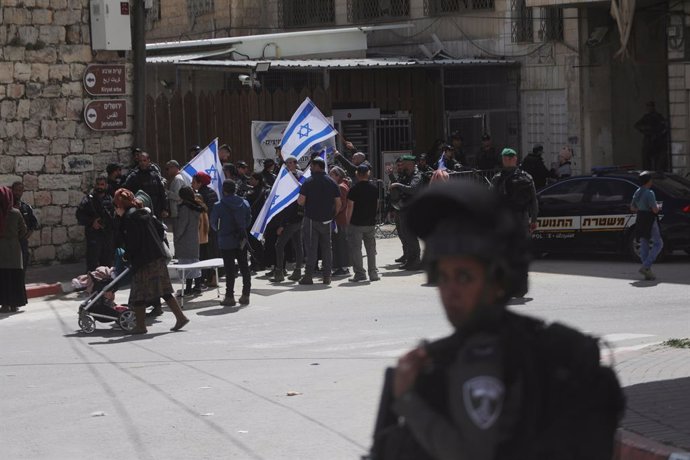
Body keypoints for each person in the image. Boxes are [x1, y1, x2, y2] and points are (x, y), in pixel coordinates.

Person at [369, 180, 624, 460]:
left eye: (464, 276)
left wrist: (406, 399)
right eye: (443, 277)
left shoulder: (480, 359)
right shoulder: (544, 344)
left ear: (499, 280)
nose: (450, 292)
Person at [113, 188, 189, 334]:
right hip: (157, 256)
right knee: (164, 289)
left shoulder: (128, 218)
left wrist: (126, 256)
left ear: (120, 204)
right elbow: (161, 230)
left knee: (138, 292)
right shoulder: (144, 212)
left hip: (143, 260)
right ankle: (180, 317)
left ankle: (141, 326)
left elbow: (131, 242)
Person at [491, 148, 538, 297]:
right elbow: (534, 201)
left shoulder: (497, 178)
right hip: (521, 220)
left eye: (508, 157)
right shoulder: (527, 177)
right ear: (515, 159)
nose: (508, 160)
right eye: (508, 157)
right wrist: (534, 220)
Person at [297, 156, 342, 285]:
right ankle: (327, 276)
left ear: (317, 166)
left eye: (311, 166)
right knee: (327, 248)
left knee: (311, 248)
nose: (310, 168)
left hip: (311, 219)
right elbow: (338, 203)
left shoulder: (309, 181)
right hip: (327, 220)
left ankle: (308, 276)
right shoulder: (332, 182)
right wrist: (333, 215)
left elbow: (301, 201)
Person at [210, 179, 252, 306]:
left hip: (226, 240)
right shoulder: (244, 203)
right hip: (241, 239)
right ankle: (246, 295)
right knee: (244, 267)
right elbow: (248, 220)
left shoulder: (218, 205)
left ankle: (229, 296)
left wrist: (220, 230)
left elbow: (213, 224)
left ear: (224, 190)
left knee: (229, 270)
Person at [272, 157, 304, 283]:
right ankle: (296, 271)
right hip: (294, 216)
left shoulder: (299, 178)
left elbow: (289, 206)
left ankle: (280, 271)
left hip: (294, 217)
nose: (291, 164)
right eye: (288, 163)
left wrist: (282, 224)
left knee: (279, 245)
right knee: (297, 244)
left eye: (293, 162)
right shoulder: (284, 178)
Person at [346, 165, 380, 282]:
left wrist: (347, 221)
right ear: (368, 173)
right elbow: (376, 205)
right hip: (370, 223)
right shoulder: (374, 188)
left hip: (356, 223)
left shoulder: (354, 189)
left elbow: (350, 207)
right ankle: (373, 273)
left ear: (357, 174)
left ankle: (360, 273)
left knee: (356, 249)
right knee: (370, 249)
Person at [390, 155, 423, 270]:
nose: (401, 166)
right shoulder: (406, 175)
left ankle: (416, 260)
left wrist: (398, 185)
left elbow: (412, 189)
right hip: (404, 208)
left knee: (411, 236)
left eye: (403, 163)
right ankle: (410, 259)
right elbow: (398, 188)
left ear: (410, 164)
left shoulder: (417, 176)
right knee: (406, 235)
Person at [76, 175, 116, 272]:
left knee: (107, 264)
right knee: (92, 263)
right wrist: (92, 222)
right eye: (98, 184)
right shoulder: (88, 200)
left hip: (107, 235)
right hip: (94, 235)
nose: (100, 187)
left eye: (102, 185)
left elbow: (114, 217)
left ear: (106, 186)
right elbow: (79, 215)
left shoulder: (110, 200)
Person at [630, 171, 664, 280]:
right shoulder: (650, 193)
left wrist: (641, 207)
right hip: (649, 219)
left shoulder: (638, 191)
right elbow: (654, 210)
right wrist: (658, 207)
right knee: (658, 243)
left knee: (644, 241)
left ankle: (647, 271)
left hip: (640, 217)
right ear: (649, 181)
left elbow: (632, 208)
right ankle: (646, 266)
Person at [0, 186, 28, 313]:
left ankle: (4, 304)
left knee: (3, 277)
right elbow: (24, 230)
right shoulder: (16, 213)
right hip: (14, 248)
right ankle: (14, 304)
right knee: (14, 275)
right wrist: (15, 237)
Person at [174, 186, 206, 295]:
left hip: (185, 239)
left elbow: (182, 225)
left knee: (186, 265)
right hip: (194, 237)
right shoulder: (196, 207)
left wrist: (177, 237)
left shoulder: (184, 208)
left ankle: (188, 288)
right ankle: (197, 286)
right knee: (194, 263)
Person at [192, 171, 219, 288]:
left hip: (204, 228)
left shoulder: (199, 196)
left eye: (193, 182)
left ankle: (204, 278)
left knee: (204, 254)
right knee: (213, 252)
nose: (192, 184)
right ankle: (213, 277)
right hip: (214, 226)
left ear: (200, 183)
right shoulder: (213, 192)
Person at [124, 151, 169, 218]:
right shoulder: (133, 176)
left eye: (144, 160)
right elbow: (126, 192)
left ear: (148, 161)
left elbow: (162, 192)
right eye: (140, 161)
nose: (142, 163)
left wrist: (165, 209)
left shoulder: (155, 176)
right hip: (141, 211)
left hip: (156, 210)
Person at [329, 166, 351, 277]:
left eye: (331, 175)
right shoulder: (341, 185)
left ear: (337, 176)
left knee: (341, 244)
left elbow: (341, 205)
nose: (329, 177)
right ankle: (339, 266)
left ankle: (344, 268)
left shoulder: (341, 187)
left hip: (340, 220)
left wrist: (332, 214)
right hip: (339, 219)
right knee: (338, 243)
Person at [11, 181, 38, 270]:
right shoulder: (6, 206)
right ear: (12, 190)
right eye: (16, 190)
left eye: (20, 190)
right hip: (9, 242)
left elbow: (33, 223)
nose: (18, 193)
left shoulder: (26, 207)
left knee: (23, 267)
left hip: (22, 242)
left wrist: (27, 235)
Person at [634, 101, 668, 171]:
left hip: (657, 141)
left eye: (650, 106)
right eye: (648, 106)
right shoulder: (646, 117)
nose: (649, 108)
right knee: (646, 159)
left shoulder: (658, 116)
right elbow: (637, 125)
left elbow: (664, 128)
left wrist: (658, 134)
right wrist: (646, 130)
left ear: (653, 107)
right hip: (649, 140)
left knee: (657, 160)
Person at [165, 160, 188, 232]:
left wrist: (165, 191)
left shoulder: (178, 179)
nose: (167, 171)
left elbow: (178, 196)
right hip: (177, 212)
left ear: (174, 168)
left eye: (167, 169)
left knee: (178, 234)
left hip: (178, 212)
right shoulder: (178, 177)